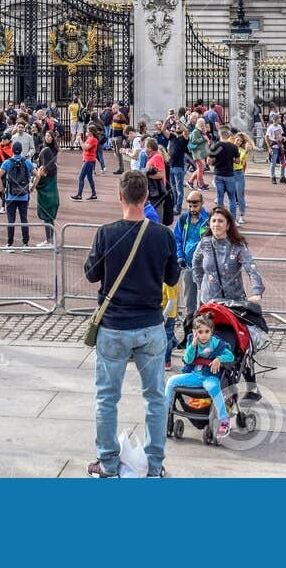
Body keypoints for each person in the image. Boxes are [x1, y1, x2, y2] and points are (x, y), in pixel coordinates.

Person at [83, 169, 180, 478]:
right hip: (150, 325)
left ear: (120, 197)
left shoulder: (106, 233)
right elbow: (172, 278)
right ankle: (153, 465)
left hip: (113, 326)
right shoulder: (163, 234)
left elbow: (91, 274)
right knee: (154, 398)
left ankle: (108, 463)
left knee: (107, 398)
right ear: (147, 197)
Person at [165, 311, 236, 438]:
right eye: (200, 332)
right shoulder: (192, 341)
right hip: (195, 375)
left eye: (206, 332)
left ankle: (224, 420)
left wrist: (219, 359)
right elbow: (187, 359)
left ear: (211, 331)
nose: (203, 335)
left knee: (213, 388)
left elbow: (230, 355)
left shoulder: (216, 343)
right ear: (194, 331)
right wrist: (192, 345)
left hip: (210, 376)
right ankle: (165, 414)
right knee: (171, 381)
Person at [173, 191, 210, 337]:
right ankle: (189, 335)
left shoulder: (208, 220)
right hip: (188, 266)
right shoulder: (183, 219)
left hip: (204, 269)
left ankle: (204, 336)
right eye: (189, 204)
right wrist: (179, 256)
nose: (192, 207)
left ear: (201, 203)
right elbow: (177, 239)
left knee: (204, 302)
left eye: (195, 203)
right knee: (189, 302)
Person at [75, 124, 100, 201]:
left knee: (81, 177)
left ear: (91, 132)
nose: (86, 132)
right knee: (89, 178)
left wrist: (80, 140)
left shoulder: (93, 139)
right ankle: (94, 194)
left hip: (89, 161)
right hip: (88, 160)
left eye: (87, 131)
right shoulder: (90, 139)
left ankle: (79, 195)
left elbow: (85, 147)